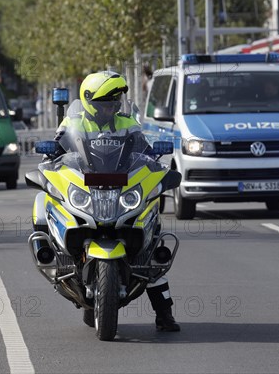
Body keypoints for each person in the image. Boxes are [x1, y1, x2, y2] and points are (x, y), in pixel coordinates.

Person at [51, 71, 181, 332]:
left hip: (121, 188)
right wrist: (50, 156)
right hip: (88, 188)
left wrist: (155, 159)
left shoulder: (126, 122)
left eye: (116, 102)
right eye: (106, 103)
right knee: (45, 207)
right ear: (89, 101)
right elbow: (59, 148)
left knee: (150, 246)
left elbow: (142, 149)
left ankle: (164, 314)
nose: (112, 107)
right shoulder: (73, 121)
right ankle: (52, 255)